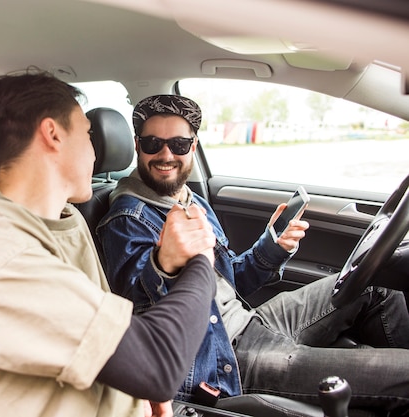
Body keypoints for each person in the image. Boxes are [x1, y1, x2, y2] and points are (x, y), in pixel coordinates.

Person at [0, 72, 219, 417]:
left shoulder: (66, 219)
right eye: (87, 133)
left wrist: (132, 396)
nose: (96, 150)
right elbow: (156, 366)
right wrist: (201, 259)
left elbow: (106, 345)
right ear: (53, 134)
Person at [96, 94, 409, 413]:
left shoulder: (191, 201)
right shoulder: (126, 219)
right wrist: (163, 265)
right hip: (226, 356)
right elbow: (140, 318)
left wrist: (272, 248)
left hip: (249, 319)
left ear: (193, 146)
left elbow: (231, 286)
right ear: (137, 146)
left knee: (377, 282)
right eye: (153, 143)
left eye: (177, 144)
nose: (165, 155)